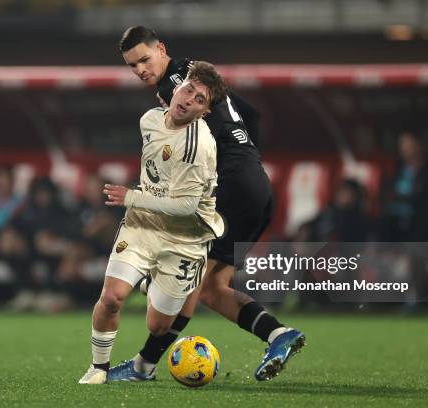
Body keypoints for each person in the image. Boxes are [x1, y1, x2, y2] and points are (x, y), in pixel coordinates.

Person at [108, 26, 304, 382]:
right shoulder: (202, 78)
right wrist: (246, 162)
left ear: (161, 49)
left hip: (228, 188)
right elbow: (253, 116)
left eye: (144, 59)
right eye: (132, 65)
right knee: (213, 289)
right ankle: (279, 335)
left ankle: (143, 366)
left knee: (184, 280)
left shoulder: (175, 89)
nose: (139, 70)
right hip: (255, 184)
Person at [78, 61, 226, 384]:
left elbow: (186, 207)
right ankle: (98, 369)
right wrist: (138, 202)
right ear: (176, 88)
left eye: (200, 100)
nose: (189, 99)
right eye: (188, 89)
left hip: (185, 238)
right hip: (143, 224)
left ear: (205, 113)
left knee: (157, 326)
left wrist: (131, 197)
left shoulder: (198, 146)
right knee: (112, 297)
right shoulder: (149, 121)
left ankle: (149, 280)